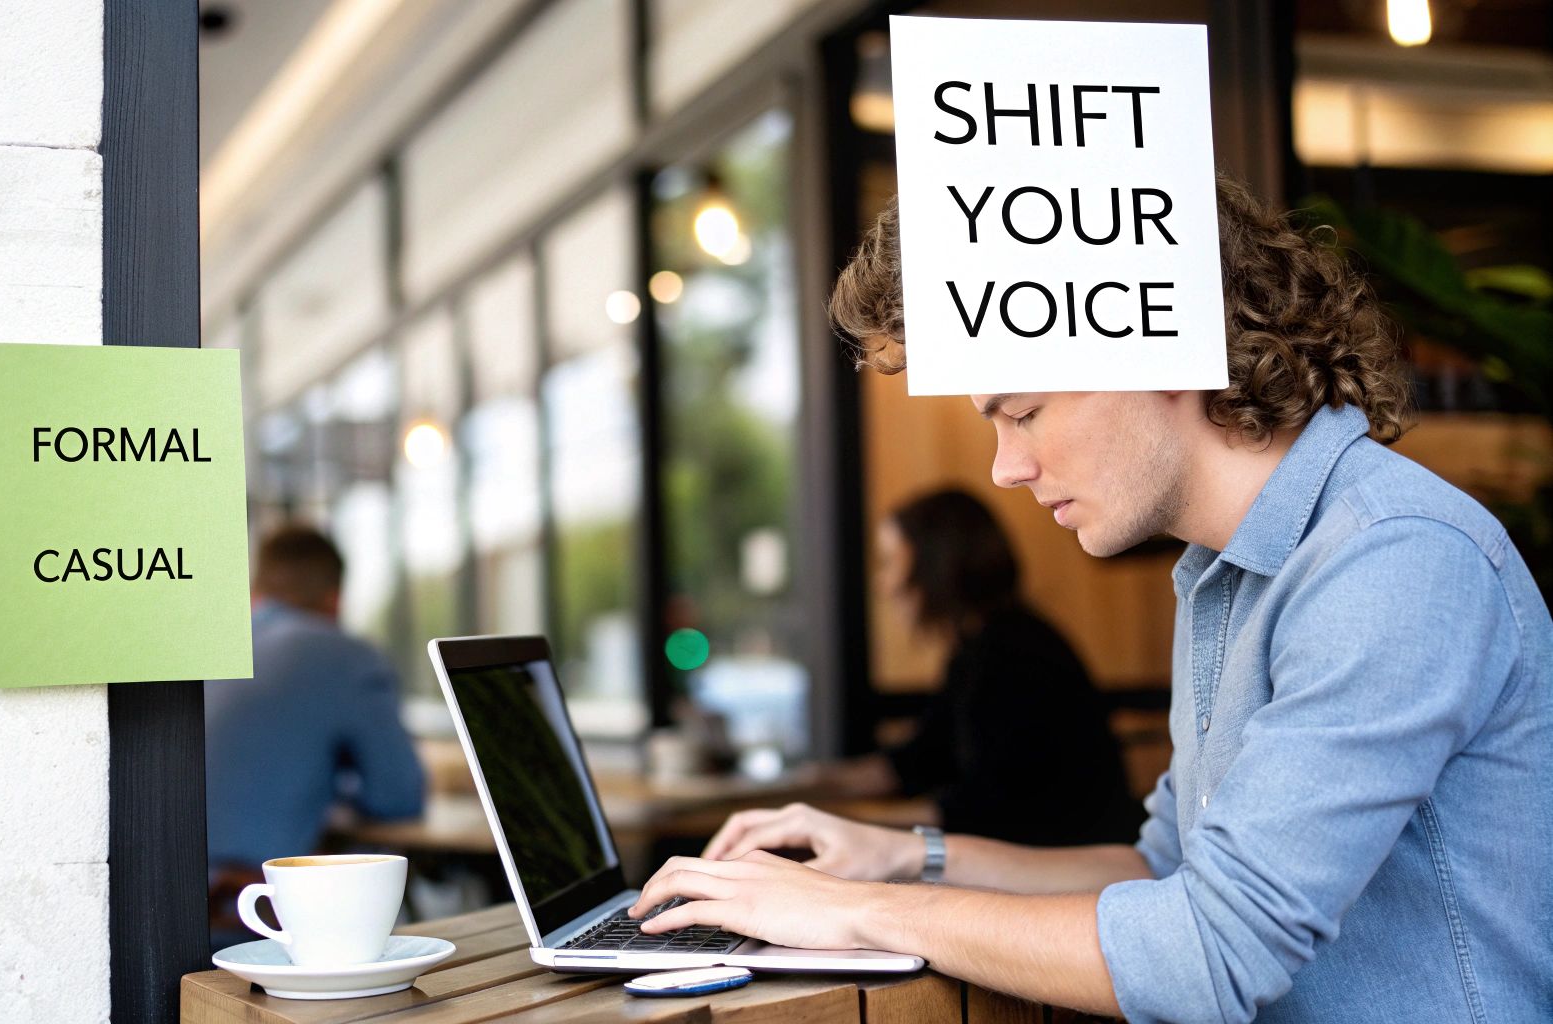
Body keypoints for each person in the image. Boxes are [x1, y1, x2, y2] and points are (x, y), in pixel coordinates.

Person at [624, 177, 1553, 1023]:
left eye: (1022, 411)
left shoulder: (1390, 558)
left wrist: (856, 911)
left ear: (1169, 349)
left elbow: (1211, 952)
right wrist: (901, 854)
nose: (1008, 466)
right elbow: (1156, 871)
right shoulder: (1224, 572)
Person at [843, 487, 1139, 845]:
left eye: (891, 561)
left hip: (1070, 862)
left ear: (935, 561)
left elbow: (988, 807)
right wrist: (808, 787)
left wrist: (853, 826)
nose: (883, 583)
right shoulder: (979, 648)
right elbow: (918, 759)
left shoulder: (1013, 655)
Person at [204, 524, 425, 876]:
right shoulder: (348, 658)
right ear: (334, 599)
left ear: (255, 592)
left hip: (160, 904)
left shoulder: (205, 649)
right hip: (250, 910)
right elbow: (397, 798)